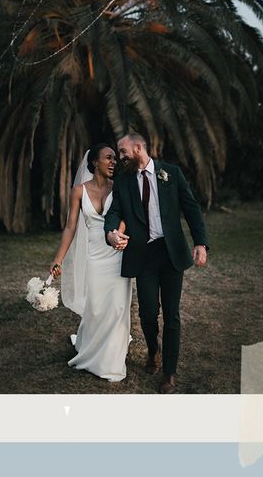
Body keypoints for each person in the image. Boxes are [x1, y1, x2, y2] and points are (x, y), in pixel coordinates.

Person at [104, 133, 209, 394]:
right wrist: (111, 232)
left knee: (172, 315)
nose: (121, 156)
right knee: (148, 312)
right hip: (144, 254)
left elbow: (191, 207)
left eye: (123, 150)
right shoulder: (124, 180)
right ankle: (153, 349)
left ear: (139, 147)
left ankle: (169, 373)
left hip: (171, 252)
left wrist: (200, 242)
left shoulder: (170, 173)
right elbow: (114, 211)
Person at [50, 144, 131, 382]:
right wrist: (58, 260)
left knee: (117, 307)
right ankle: (91, 348)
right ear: (95, 162)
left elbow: (125, 216)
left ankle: (112, 361)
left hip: (117, 252)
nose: (114, 161)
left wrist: (119, 235)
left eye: (115, 158)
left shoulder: (119, 188)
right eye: (109, 157)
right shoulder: (78, 191)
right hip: (94, 257)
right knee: (96, 307)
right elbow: (70, 226)